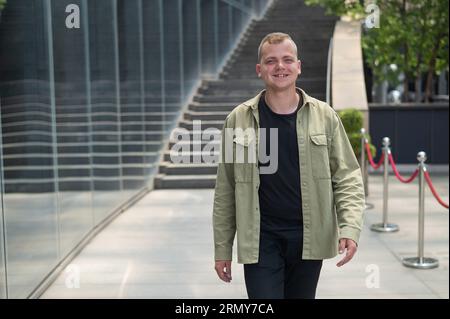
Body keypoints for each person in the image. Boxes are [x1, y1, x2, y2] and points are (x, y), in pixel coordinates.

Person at [212, 32, 365, 299]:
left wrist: (350, 227)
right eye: (271, 61)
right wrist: (222, 249)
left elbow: (347, 176)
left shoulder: (325, 116)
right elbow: (225, 189)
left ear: (298, 66)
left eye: (287, 59)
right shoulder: (238, 119)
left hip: (309, 238)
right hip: (260, 240)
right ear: (260, 70)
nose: (280, 67)